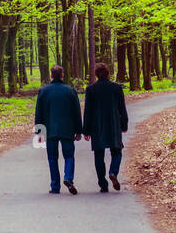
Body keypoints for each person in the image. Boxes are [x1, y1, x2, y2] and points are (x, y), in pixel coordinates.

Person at [35, 64, 83, 194]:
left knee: (52, 158)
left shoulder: (43, 91)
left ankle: (55, 186)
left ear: (51, 75)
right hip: (67, 129)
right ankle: (68, 178)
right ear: (62, 75)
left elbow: (38, 113)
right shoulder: (70, 91)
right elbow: (77, 112)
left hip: (50, 130)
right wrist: (79, 131)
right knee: (69, 156)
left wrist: (39, 133)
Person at [82, 62, 128, 192]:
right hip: (114, 124)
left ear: (96, 74)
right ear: (108, 73)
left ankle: (103, 184)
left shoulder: (91, 89)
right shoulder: (116, 88)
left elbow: (88, 111)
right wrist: (124, 124)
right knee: (117, 151)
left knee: (98, 154)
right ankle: (113, 172)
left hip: (97, 126)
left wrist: (86, 130)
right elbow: (122, 109)